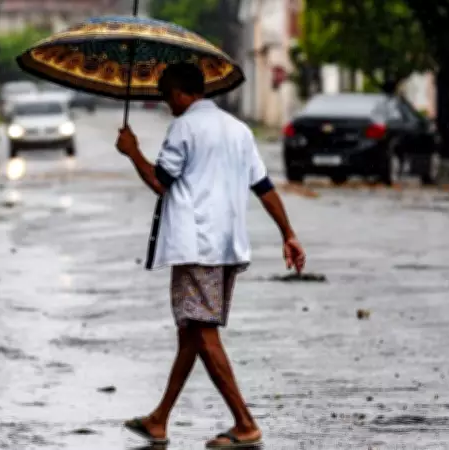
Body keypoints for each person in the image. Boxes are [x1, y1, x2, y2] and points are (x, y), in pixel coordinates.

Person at [115, 62, 306, 449]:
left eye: (168, 96)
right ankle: (159, 419)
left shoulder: (184, 127)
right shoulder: (239, 129)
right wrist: (288, 233)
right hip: (227, 246)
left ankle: (245, 423)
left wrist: (133, 152)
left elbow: (159, 182)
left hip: (196, 244)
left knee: (202, 331)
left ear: (184, 93)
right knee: (191, 332)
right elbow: (264, 186)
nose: (168, 104)